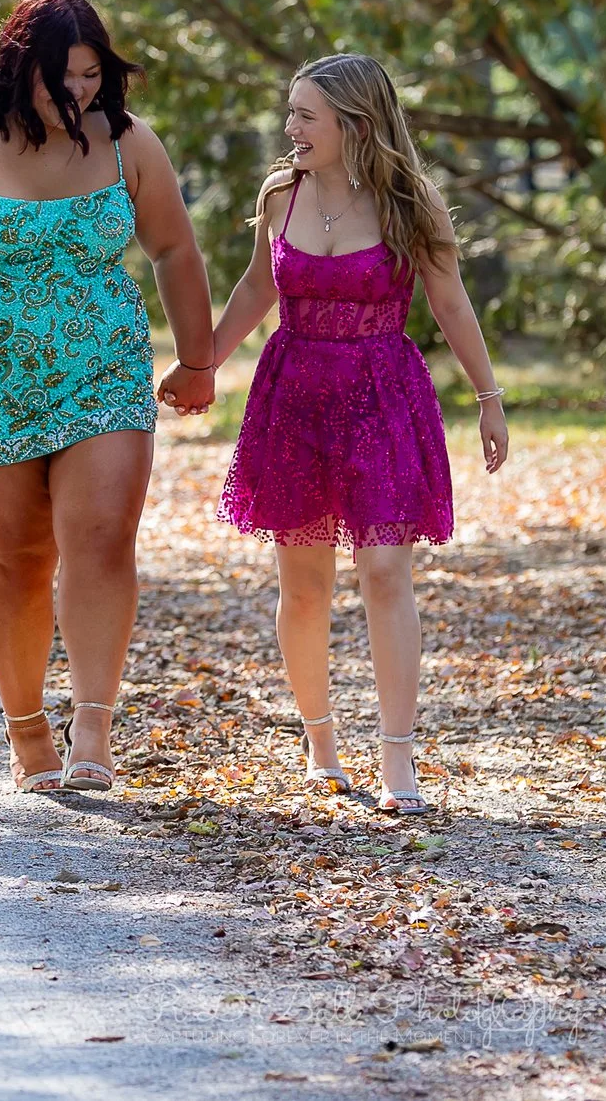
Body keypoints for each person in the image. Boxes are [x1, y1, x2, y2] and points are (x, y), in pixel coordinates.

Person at [0, 0, 216, 795]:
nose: (77, 91)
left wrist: (198, 358)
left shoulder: (129, 143)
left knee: (102, 539)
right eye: (60, 75)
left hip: (104, 369)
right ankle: (26, 726)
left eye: (90, 74)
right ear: (16, 65)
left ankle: (94, 727)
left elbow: (174, 249)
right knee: (16, 559)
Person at [193, 53, 507, 813]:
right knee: (304, 588)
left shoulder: (410, 204)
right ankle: (321, 744)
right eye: (291, 113)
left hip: (381, 396)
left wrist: (488, 396)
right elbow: (255, 287)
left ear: (354, 125)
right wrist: (200, 363)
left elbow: (453, 304)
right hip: (293, 398)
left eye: (306, 115)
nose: (290, 128)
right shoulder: (280, 195)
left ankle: (398, 759)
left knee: (383, 571)